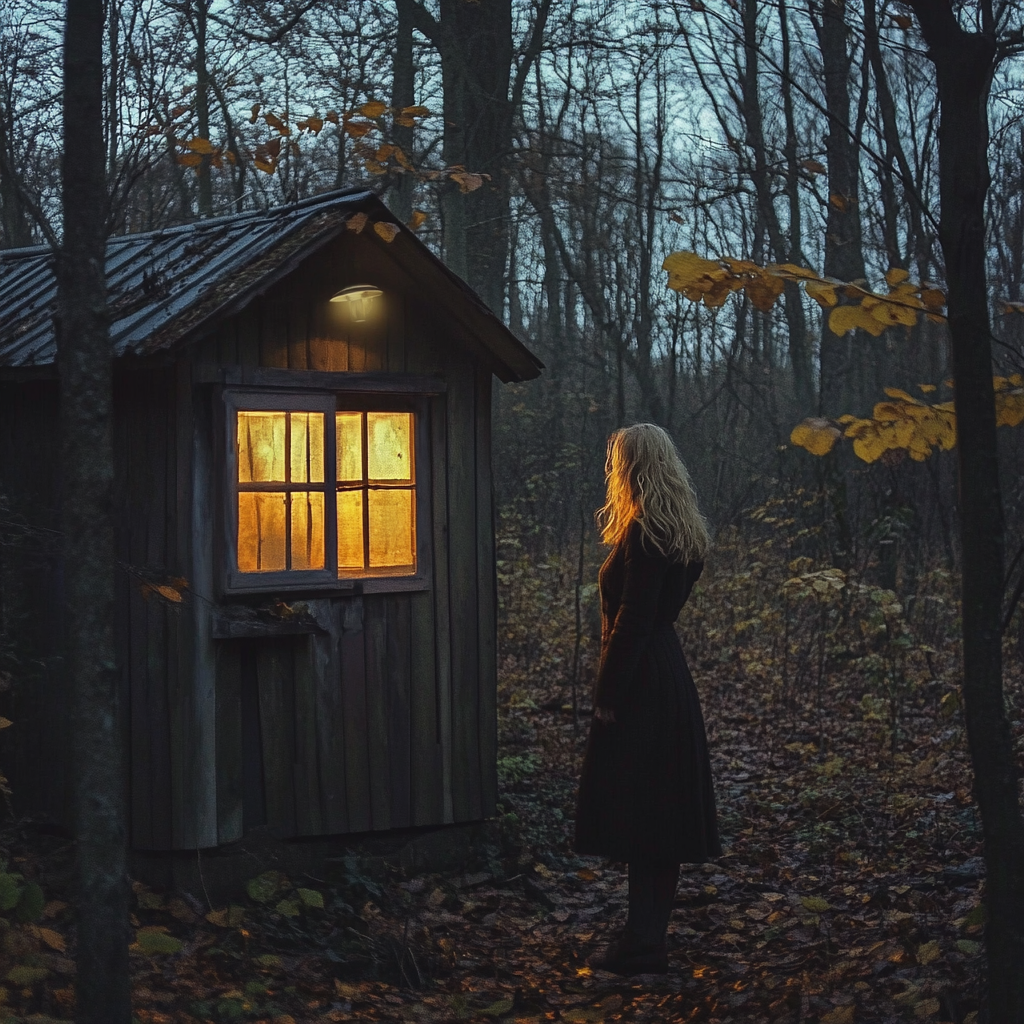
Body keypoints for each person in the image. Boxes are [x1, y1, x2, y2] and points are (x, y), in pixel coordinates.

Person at [574, 422, 721, 976]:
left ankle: (642, 944)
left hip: (643, 683)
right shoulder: (680, 531)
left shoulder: (643, 533)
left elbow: (633, 621)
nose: (613, 470)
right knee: (661, 817)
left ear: (631, 467)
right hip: (668, 675)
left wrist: (609, 692)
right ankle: (646, 940)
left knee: (644, 815)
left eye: (618, 462)